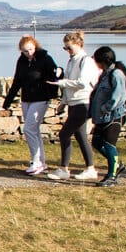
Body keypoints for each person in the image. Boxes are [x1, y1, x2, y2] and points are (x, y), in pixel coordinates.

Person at [3, 35, 59, 175]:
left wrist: (54, 90)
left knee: (28, 129)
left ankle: (36, 161)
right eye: (25, 51)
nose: (29, 53)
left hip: (41, 98)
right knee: (34, 130)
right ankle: (42, 162)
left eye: (30, 49)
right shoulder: (21, 61)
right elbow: (17, 81)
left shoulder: (45, 58)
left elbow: (55, 76)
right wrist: (8, 100)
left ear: (35, 46)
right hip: (26, 99)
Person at [48, 31, 100, 181]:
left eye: (69, 48)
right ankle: (90, 168)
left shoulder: (86, 61)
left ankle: (64, 169)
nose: (67, 51)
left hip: (83, 102)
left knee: (64, 134)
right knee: (80, 136)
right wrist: (63, 102)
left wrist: (62, 83)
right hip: (73, 102)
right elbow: (68, 84)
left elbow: (82, 82)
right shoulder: (72, 61)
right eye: (65, 48)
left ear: (79, 44)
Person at [88, 46, 126, 187]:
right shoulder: (105, 74)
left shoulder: (116, 74)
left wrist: (105, 108)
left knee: (109, 144)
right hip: (102, 117)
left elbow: (119, 96)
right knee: (96, 142)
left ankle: (111, 176)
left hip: (113, 116)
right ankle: (118, 164)